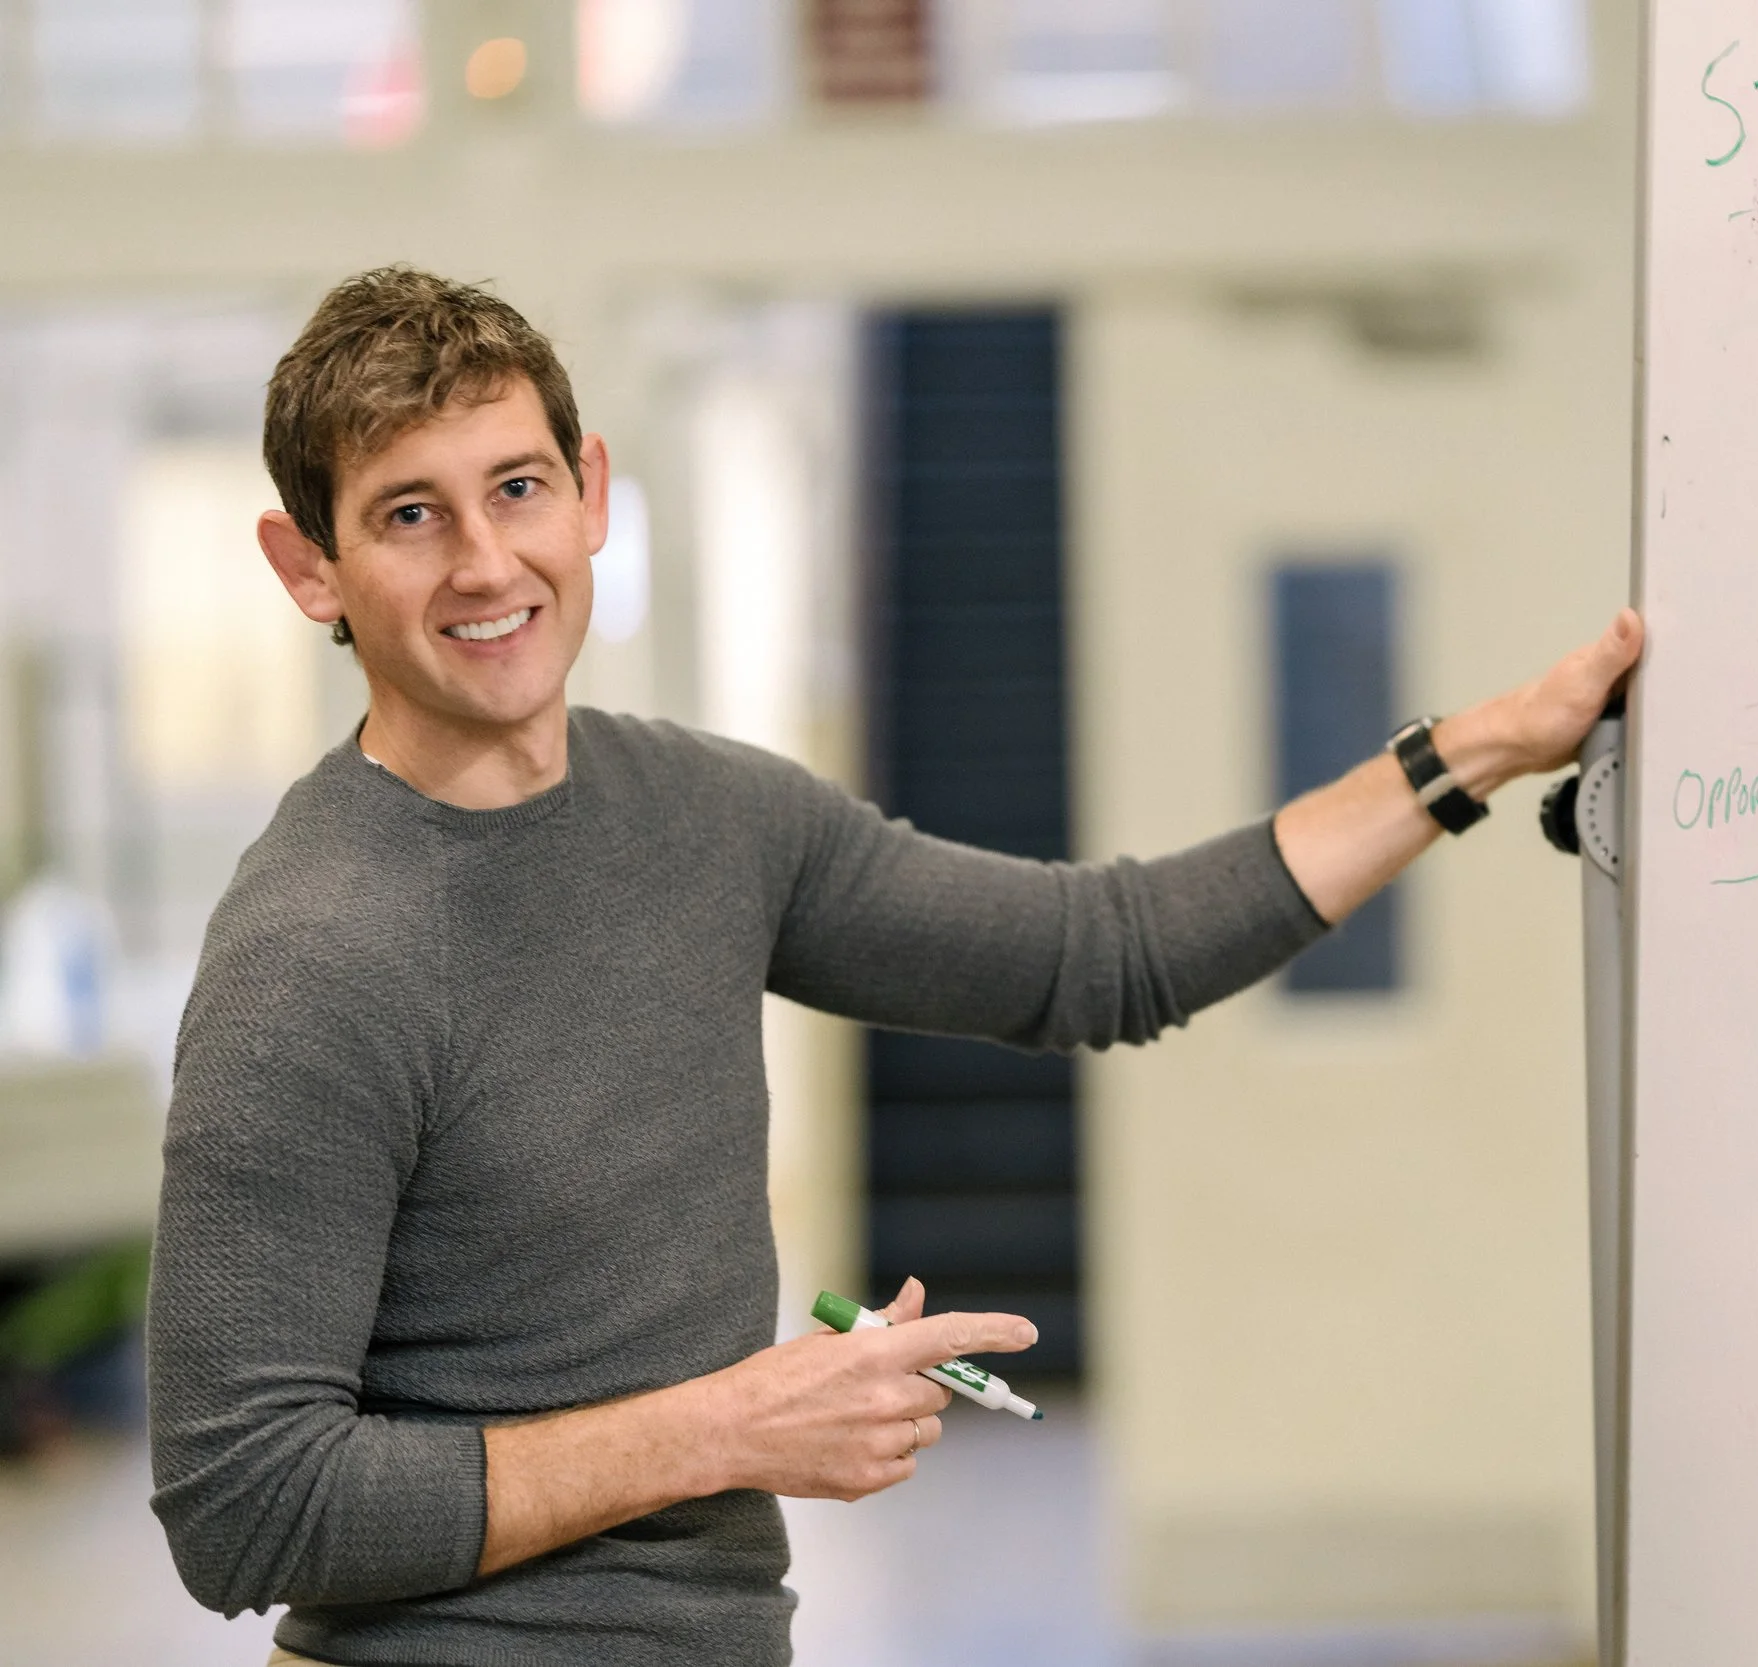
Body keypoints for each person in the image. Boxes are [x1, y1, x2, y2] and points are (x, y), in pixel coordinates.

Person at [146, 267, 1643, 1667]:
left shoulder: (712, 816)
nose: (487, 562)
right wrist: (729, 1425)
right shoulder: (316, 955)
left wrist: (1486, 749)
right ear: (310, 567)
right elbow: (245, 1505)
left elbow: (1098, 954)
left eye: (516, 488)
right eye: (410, 514)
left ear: (591, 493)